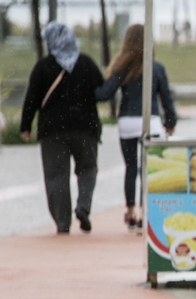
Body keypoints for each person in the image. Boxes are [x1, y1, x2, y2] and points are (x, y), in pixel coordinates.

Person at [20, 23, 104, 235]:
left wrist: (25, 126)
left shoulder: (43, 67)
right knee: (88, 168)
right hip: (85, 128)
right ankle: (83, 206)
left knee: (56, 175)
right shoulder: (85, 63)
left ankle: (62, 222)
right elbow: (102, 90)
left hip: (53, 130)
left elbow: (32, 99)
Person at [95, 24, 178, 231]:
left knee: (131, 168)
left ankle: (131, 212)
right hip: (152, 122)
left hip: (128, 122)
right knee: (148, 171)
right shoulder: (156, 68)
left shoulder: (122, 67)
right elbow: (167, 99)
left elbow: (105, 94)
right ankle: (145, 213)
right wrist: (171, 122)